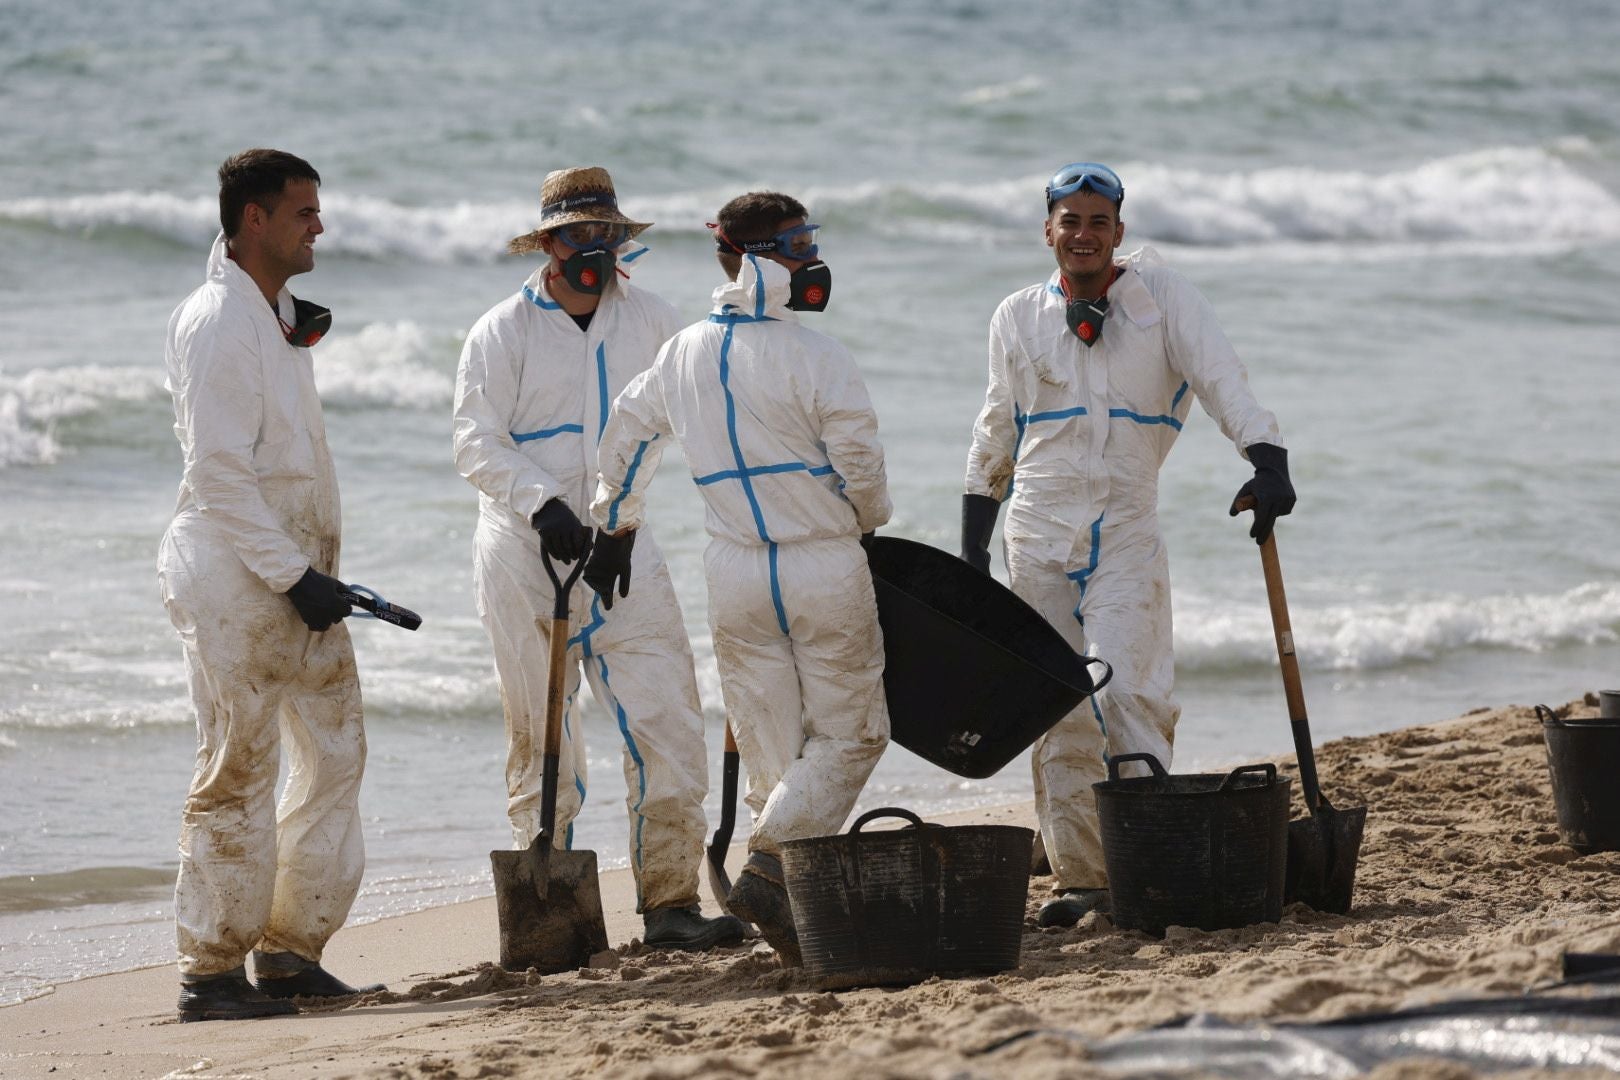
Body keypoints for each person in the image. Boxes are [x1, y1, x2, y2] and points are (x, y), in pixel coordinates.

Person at [960, 162, 1296, 928]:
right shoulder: (1016, 315)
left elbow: (1220, 377)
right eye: (1068, 221)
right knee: (1057, 709)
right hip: (1036, 538)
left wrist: (1266, 458)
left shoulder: (1164, 300)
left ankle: (1145, 862)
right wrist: (974, 545)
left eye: (1098, 222)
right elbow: (995, 427)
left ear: (1120, 231)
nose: (1083, 235)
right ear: (1047, 230)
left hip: (1126, 533)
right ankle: (1083, 878)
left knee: (1128, 693)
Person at [587, 192, 892, 964]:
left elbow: (626, 432)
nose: (812, 255)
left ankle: (795, 925)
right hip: (821, 558)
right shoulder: (818, 355)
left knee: (773, 753)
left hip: (733, 572)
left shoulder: (681, 351)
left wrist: (614, 523)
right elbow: (861, 466)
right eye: (801, 243)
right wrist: (867, 521)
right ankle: (768, 865)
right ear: (764, 258)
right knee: (855, 735)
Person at [453, 167, 744, 951]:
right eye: (580, 235)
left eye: (607, 234)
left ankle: (670, 903)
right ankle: (551, 906)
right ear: (548, 243)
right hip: (525, 557)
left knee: (669, 723)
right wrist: (541, 502)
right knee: (543, 741)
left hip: (624, 553)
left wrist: (619, 522)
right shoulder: (500, 331)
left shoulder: (655, 321)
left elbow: (675, 427)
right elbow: (475, 440)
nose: (596, 249)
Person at [159, 148, 382, 1022]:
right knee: (239, 764)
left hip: (297, 577)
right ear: (253, 219)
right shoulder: (217, 319)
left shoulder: (278, 314)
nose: (319, 225)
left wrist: (308, 576)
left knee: (335, 751)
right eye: (303, 212)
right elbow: (217, 473)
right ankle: (209, 974)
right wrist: (293, 575)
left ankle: (289, 953)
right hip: (234, 574)